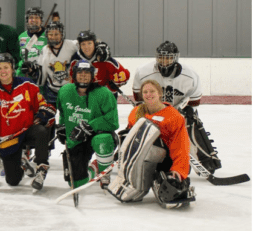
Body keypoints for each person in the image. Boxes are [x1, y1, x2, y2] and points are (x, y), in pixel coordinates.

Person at [132, 41, 219, 174]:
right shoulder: (143, 71)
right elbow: (139, 99)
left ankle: (205, 160)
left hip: (179, 110)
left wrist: (181, 113)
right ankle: (135, 156)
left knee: (192, 122)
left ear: (176, 58)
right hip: (154, 110)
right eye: (161, 57)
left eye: (168, 58)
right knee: (139, 126)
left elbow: (194, 102)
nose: (164, 61)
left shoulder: (190, 75)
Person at [107, 79, 195, 208]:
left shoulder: (174, 116)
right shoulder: (136, 112)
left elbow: (181, 146)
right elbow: (129, 140)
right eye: (145, 92)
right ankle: (132, 180)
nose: (149, 94)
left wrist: (178, 170)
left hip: (165, 161)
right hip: (139, 160)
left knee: (171, 195)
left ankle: (160, 179)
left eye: (152, 91)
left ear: (160, 93)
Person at [0, 54, 54, 188]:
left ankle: (42, 168)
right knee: (12, 181)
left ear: (12, 68)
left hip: (27, 130)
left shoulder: (27, 84)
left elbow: (43, 104)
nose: (3, 71)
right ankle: (23, 165)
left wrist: (43, 114)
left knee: (41, 131)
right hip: (9, 136)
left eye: (6, 67)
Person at [56, 61, 119, 190]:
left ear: (92, 75)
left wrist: (90, 126)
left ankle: (104, 172)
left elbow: (113, 121)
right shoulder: (65, 91)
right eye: (80, 72)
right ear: (74, 75)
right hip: (76, 139)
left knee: (103, 140)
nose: (83, 75)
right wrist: (62, 126)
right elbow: (62, 112)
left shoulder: (103, 93)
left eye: (87, 73)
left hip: (98, 135)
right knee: (76, 183)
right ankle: (95, 168)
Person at [21, 20, 78, 105]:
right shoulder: (45, 50)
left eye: (56, 34)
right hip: (51, 93)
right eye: (50, 34)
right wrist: (31, 70)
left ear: (62, 34)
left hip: (70, 92)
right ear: (47, 35)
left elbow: (86, 46)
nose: (53, 37)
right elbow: (41, 73)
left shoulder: (72, 45)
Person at [69, 30, 130, 99]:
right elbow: (72, 80)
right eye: (83, 44)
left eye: (89, 43)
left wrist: (114, 85)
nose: (86, 47)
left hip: (105, 97)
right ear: (79, 45)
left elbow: (124, 75)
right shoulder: (75, 59)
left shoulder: (103, 57)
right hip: (84, 97)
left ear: (94, 43)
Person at [16, 7, 47, 75]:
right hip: (23, 76)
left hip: (41, 76)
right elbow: (18, 58)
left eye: (37, 17)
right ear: (27, 20)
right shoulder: (21, 36)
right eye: (31, 17)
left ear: (41, 20)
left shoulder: (47, 36)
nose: (34, 20)